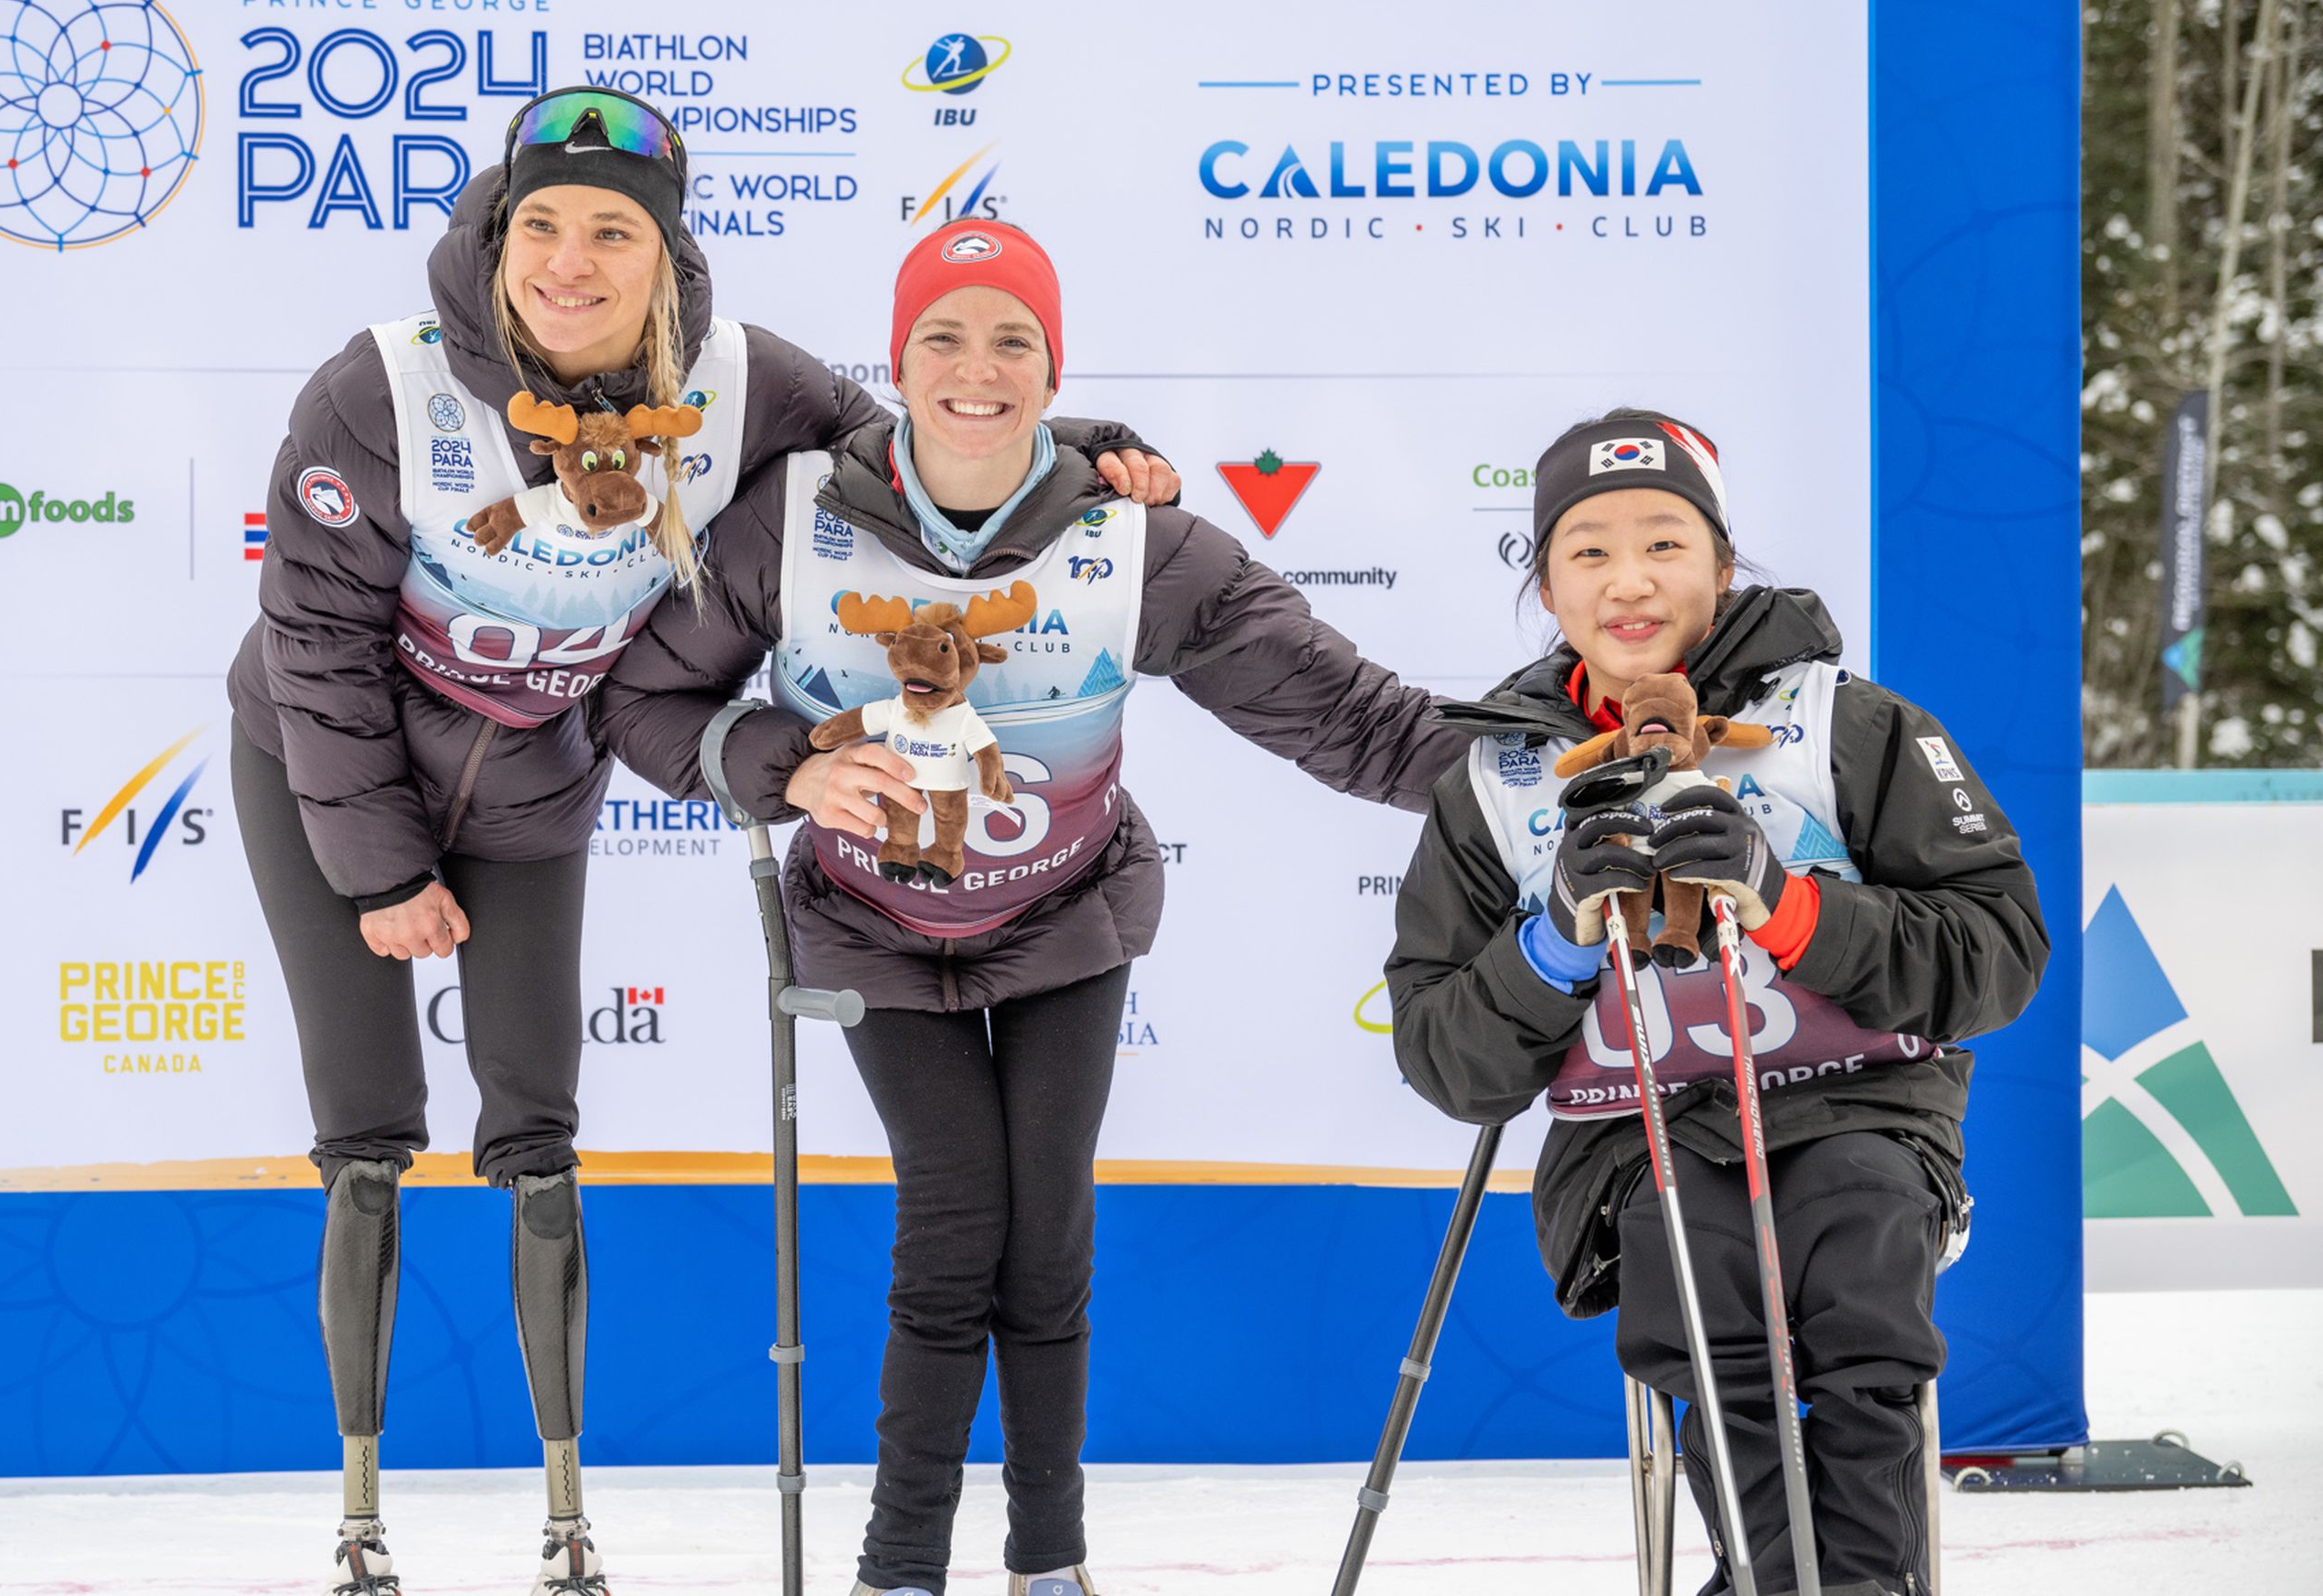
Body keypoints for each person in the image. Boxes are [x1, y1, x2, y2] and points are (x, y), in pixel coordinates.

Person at [225, 88, 1174, 1596]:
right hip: (323, 781)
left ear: (668, 255)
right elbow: (317, 647)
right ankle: (358, 1511)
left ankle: (562, 1516)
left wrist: (1096, 450)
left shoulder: (746, 385)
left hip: (535, 785)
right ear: (495, 233)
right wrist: (383, 873)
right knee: (370, 1129)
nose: (571, 261)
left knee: (534, 1125)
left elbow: (926, 458)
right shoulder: (382, 392)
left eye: (614, 230)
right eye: (541, 224)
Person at [595, 219, 1467, 1596]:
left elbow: (1343, 714)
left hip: (1065, 923)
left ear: (1055, 371)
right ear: (897, 357)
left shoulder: (1136, 539)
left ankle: (1048, 1563)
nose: (976, 368)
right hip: (877, 932)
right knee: (954, 1229)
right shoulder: (794, 516)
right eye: (944, 334)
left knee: (1045, 1236)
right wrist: (792, 767)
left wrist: (1539, 781)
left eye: (1014, 340)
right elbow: (646, 697)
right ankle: (898, 1568)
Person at [1385, 411, 2048, 1596]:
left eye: (1665, 544)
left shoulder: (1841, 721)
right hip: (1640, 1146)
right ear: (1544, 582)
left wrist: (1788, 907)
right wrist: (1550, 941)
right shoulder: (1498, 780)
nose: (1629, 580)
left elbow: (2000, 950)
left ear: (1724, 566)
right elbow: (1448, 1061)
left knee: (1854, 1246)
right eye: (1588, 550)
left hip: (1862, 1109)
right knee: (1705, 1265)